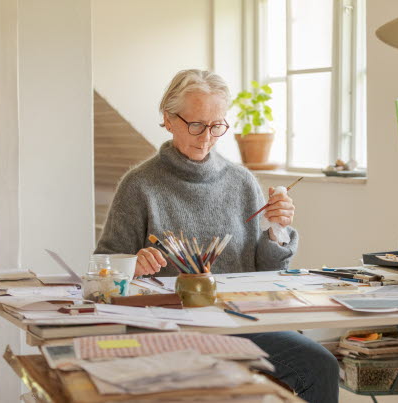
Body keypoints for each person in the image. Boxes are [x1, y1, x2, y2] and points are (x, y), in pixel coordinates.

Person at [95, 69, 339, 403]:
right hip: (171, 329)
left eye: (216, 126)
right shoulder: (139, 186)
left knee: (320, 364)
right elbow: (103, 268)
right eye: (195, 124)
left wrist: (277, 232)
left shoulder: (241, 181)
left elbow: (267, 273)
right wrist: (132, 264)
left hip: (242, 323)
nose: (206, 136)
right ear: (167, 118)